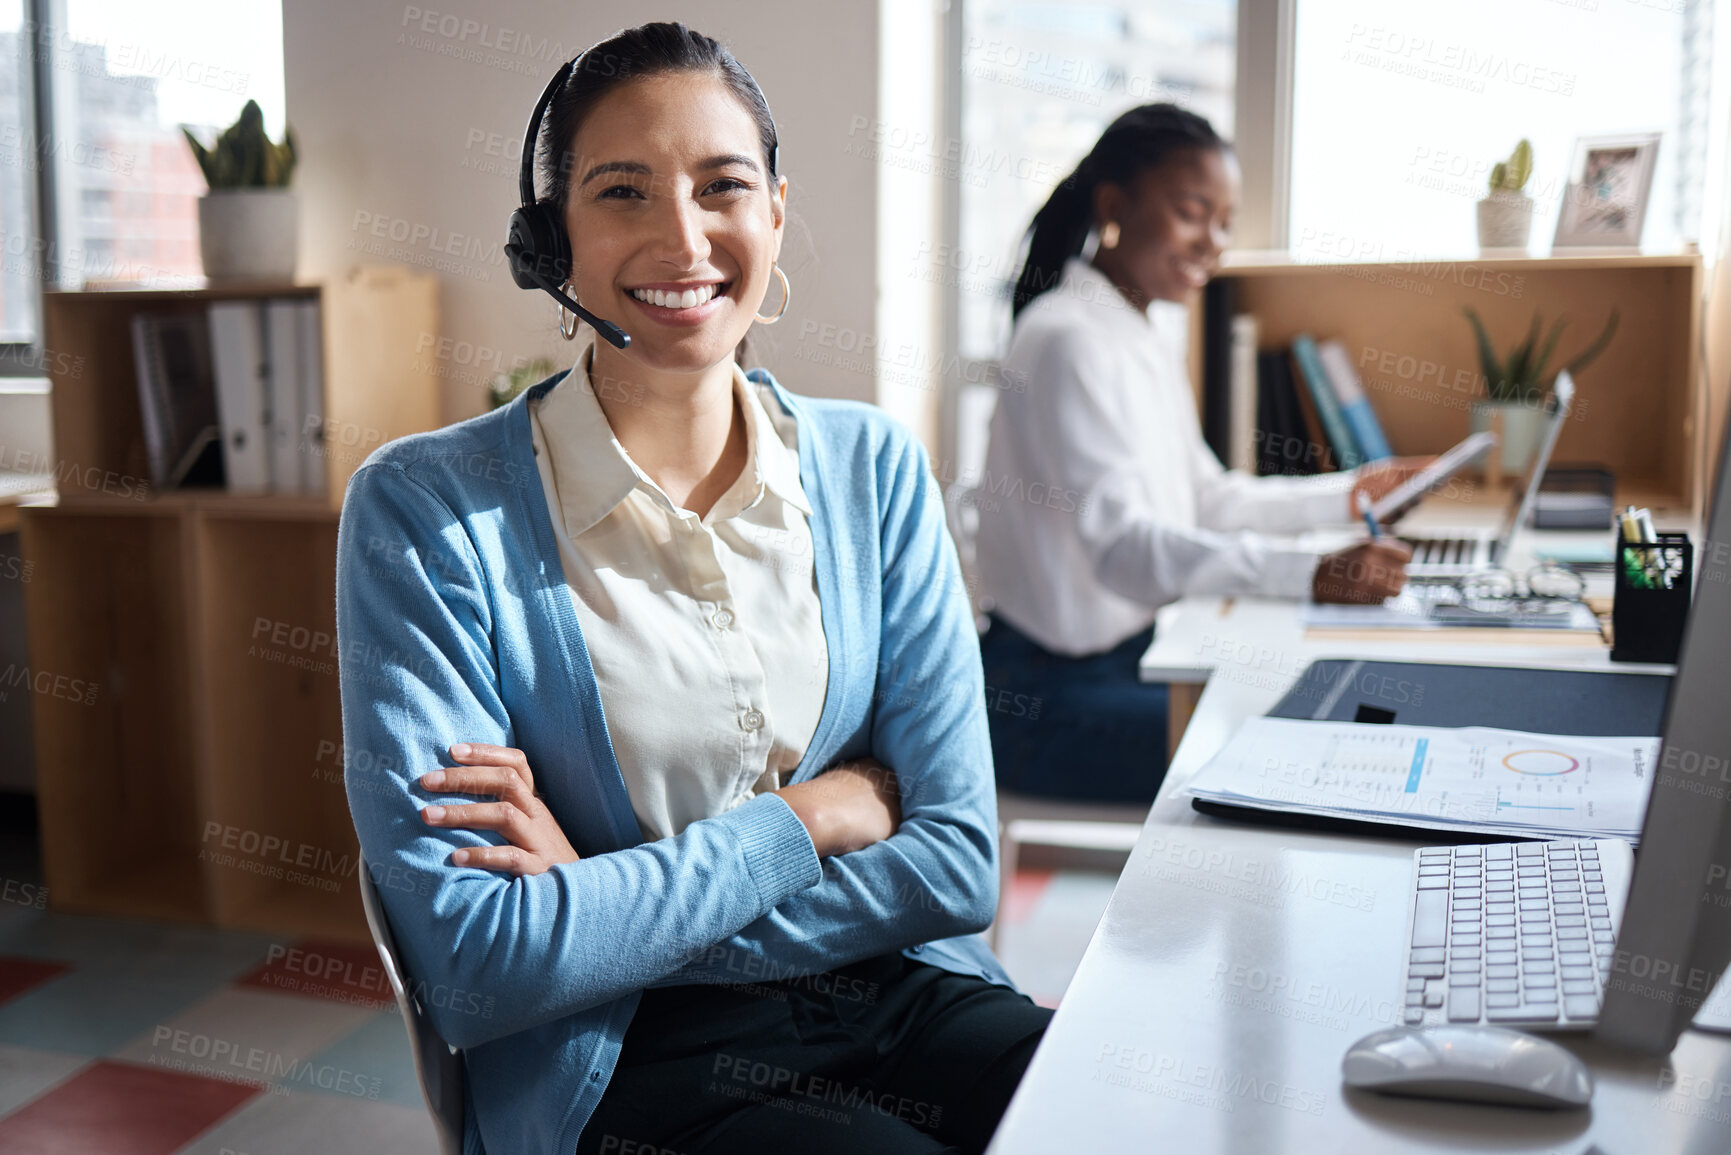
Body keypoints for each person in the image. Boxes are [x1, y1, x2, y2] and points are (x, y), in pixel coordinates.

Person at [336, 23, 1048, 1155]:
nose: (682, 237)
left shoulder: (873, 470)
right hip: (624, 1054)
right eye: (622, 191)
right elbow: (479, 963)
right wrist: (807, 821)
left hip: (906, 994)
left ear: (773, 212)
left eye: (722, 187)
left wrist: (609, 905)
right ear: (550, 241)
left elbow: (955, 867)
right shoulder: (425, 514)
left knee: (1125, 1108)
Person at [972, 103, 1422, 805]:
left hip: (1130, 657)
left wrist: (1351, 494)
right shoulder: (1067, 337)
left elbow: (1207, 498)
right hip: (1041, 695)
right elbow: (1124, 549)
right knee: (1298, 741)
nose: (1213, 242)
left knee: (1319, 706)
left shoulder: (1133, 330)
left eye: (1223, 222)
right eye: (1191, 213)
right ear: (1114, 206)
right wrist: (1310, 572)